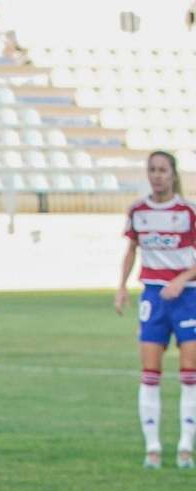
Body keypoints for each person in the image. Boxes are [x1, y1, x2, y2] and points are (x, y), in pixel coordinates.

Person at [115, 151, 196, 469]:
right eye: (152, 170)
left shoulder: (188, 211)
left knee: (189, 373)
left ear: (174, 175)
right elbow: (131, 250)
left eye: (163, 170)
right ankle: (153, 448)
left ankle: (185, 447)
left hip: (188, 296)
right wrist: (121, 286)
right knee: (150, 372)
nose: (157, 175)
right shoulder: (138, 210)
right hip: (152, 297)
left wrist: (182, 278)